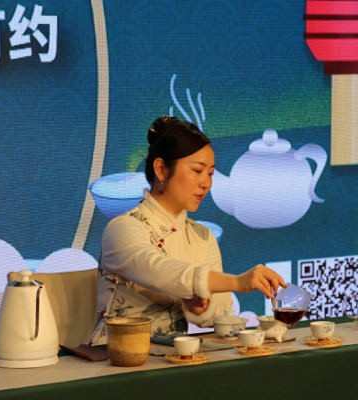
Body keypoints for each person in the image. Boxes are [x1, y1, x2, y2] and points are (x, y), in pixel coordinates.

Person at [88, 116, 285, 344]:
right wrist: (239, 282)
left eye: (210, 173)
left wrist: (201, 306)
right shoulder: (122, 228)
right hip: (116, 356)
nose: (206, 183)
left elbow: (222, 308)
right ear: (161, 170)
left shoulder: (202, 236)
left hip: (175, 356)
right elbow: (159, 270)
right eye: (197, 170)